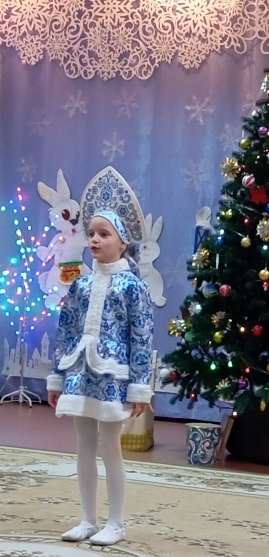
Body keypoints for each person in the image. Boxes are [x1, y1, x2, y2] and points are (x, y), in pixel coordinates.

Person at [47, 209, 154, 546]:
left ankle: (116, 523)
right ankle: (88, 520)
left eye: (104, 234)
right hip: (80, 371)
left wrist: (139, 388)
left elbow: (141, 337)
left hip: (113, 376)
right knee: (83, 443)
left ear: (122, 243)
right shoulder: (80, 285)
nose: (94, 239)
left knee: (110, 445)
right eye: (91, 233)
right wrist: (57, 377)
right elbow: (66, 331)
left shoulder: (133, 287)